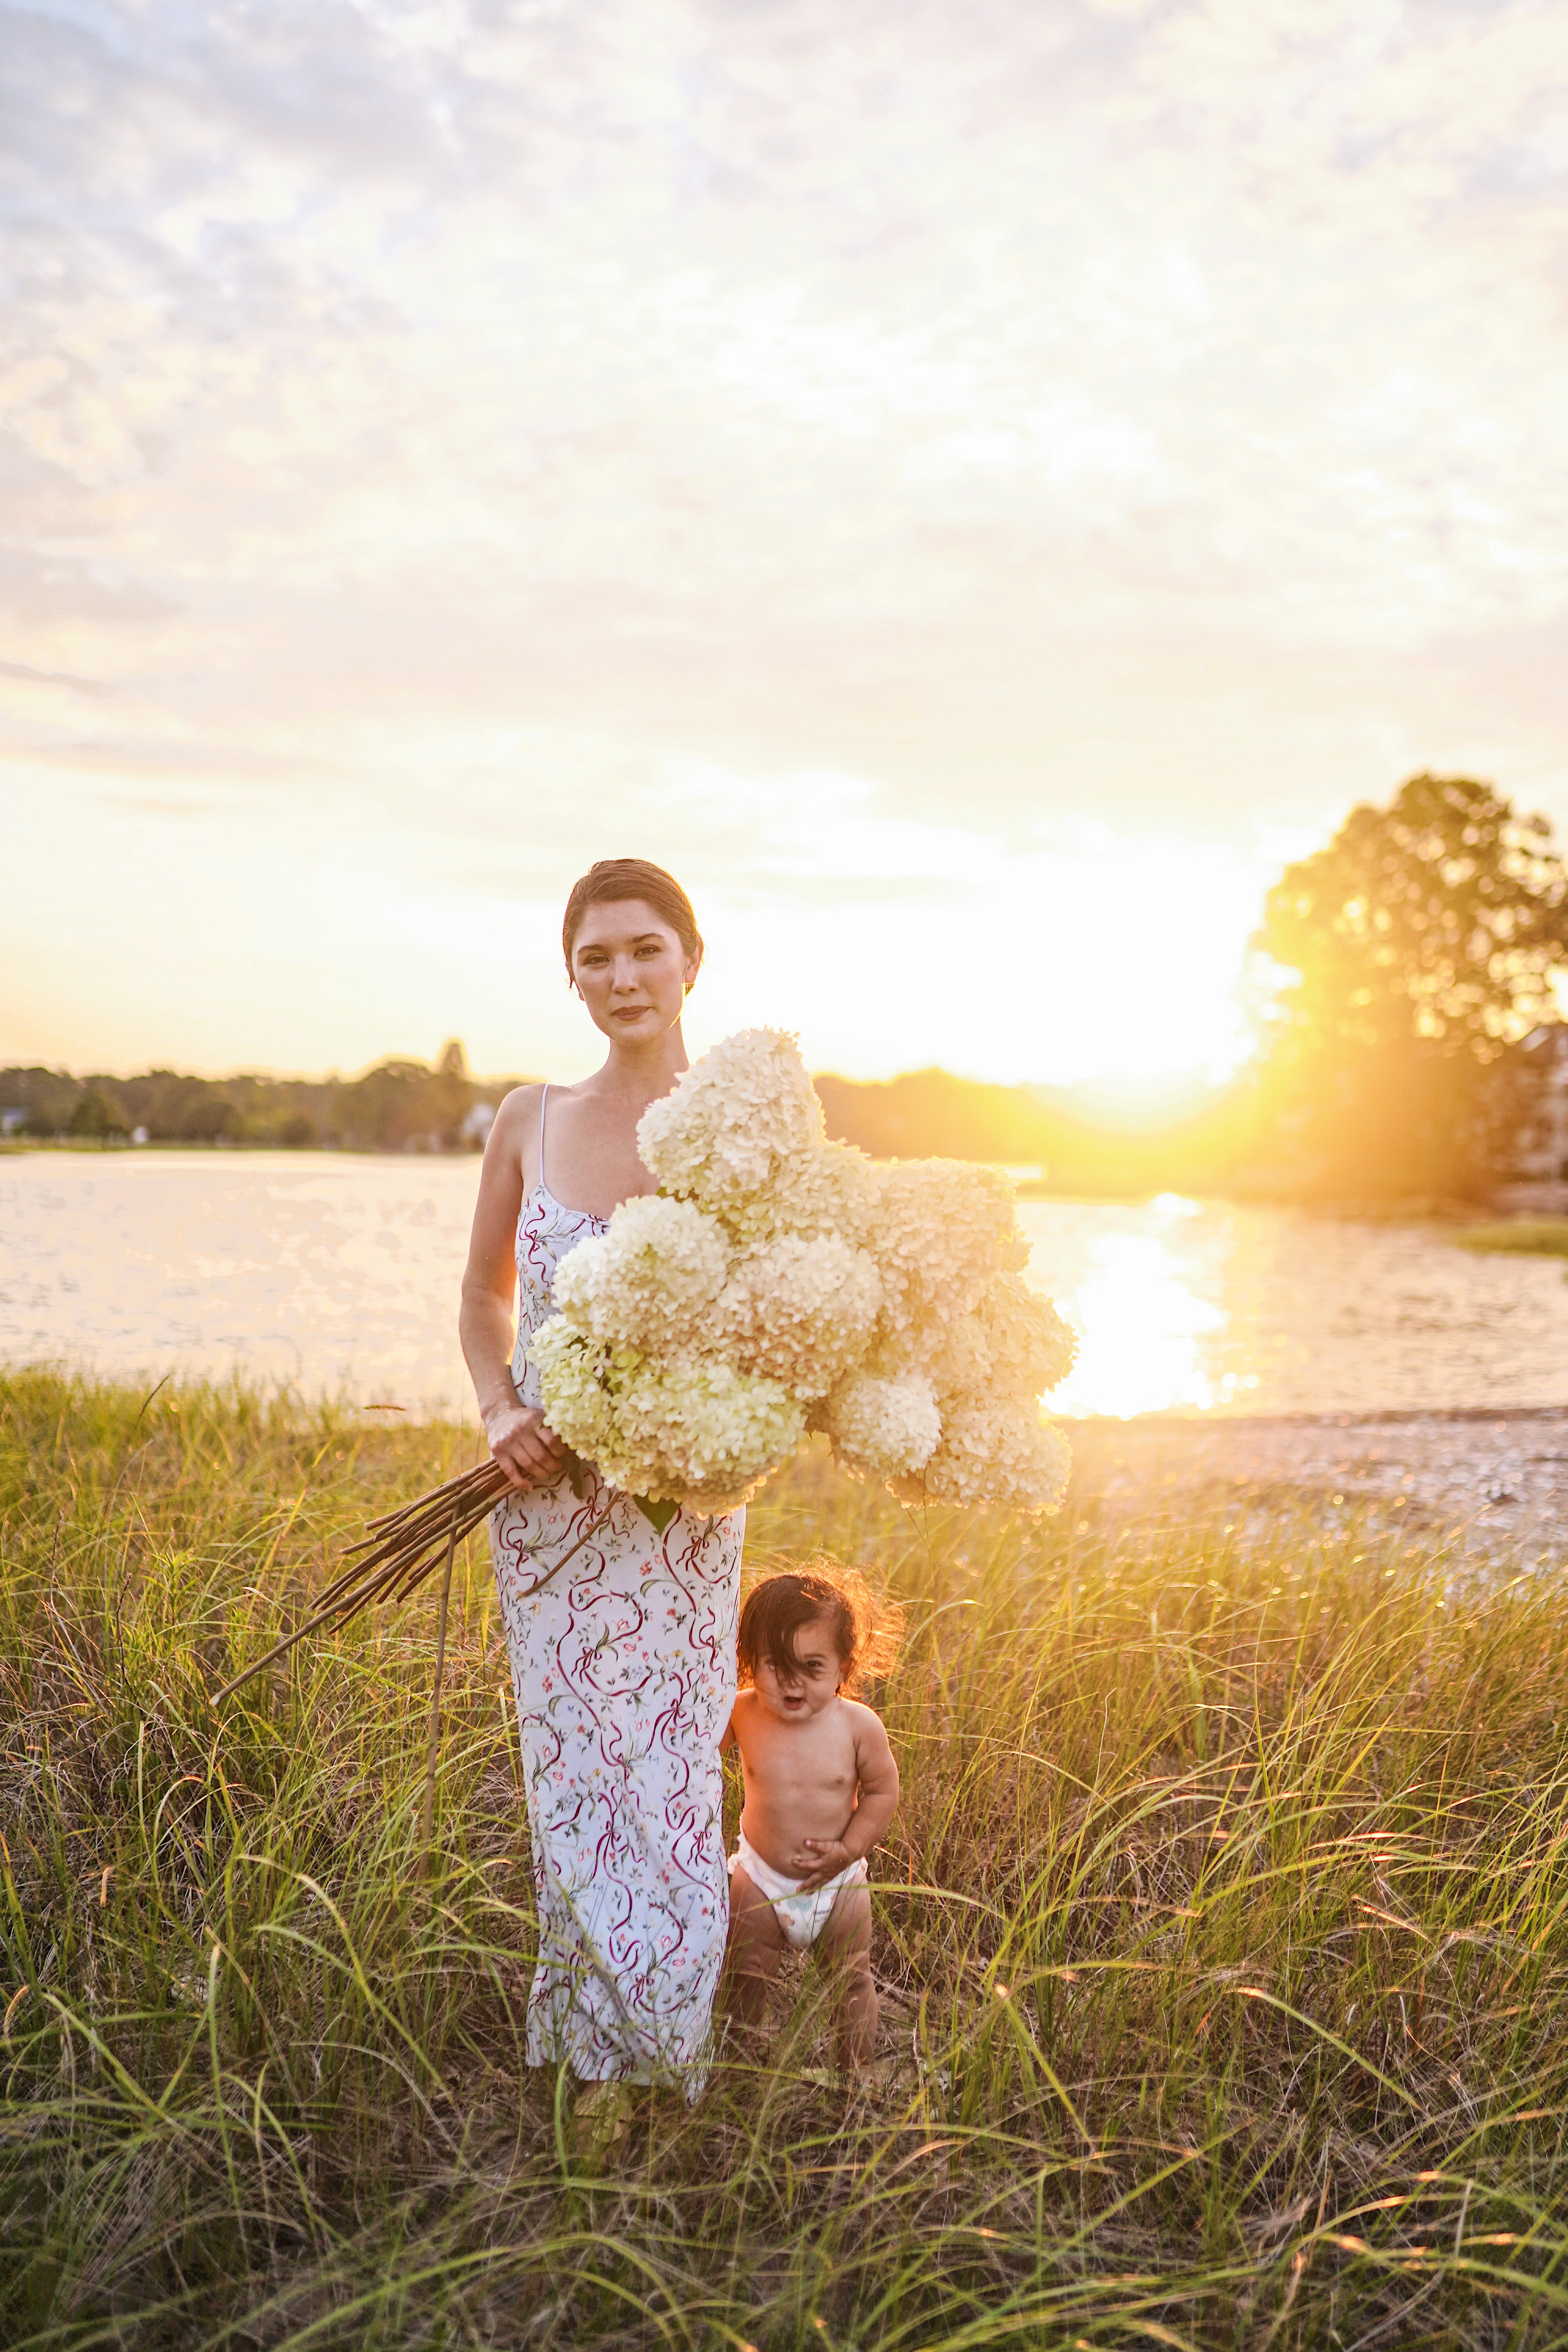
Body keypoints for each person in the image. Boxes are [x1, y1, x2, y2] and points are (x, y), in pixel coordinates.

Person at [459, 857, 740, 2132]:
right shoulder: (528, 1115)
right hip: (546, 1517)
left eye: (644, 949)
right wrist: (500, 1411)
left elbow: (770, 1334)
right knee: (571, 1785)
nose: (622, 976)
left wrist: (690, 1426)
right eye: (595, 958)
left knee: (669, 1781)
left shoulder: (738, 1134)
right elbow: (482, 1306)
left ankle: (667, 2068)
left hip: (680, 1512)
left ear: (692, 960)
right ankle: (590, 2068)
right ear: (571, 979)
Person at [724, 1561, 901, 2076]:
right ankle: (741, 2071)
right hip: (760, 1876)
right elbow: (693, 1756)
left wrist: (851, 1849)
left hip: (838, 1880)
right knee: (746, 1977)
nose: (792, 1681)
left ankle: (854, 2072)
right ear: (751, 1661)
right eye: (775, 1664)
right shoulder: (743, 1712)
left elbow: (883, 1790)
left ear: (845, 1666)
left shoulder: (858, 1726)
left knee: (852, 1980)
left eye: (813, 1667)